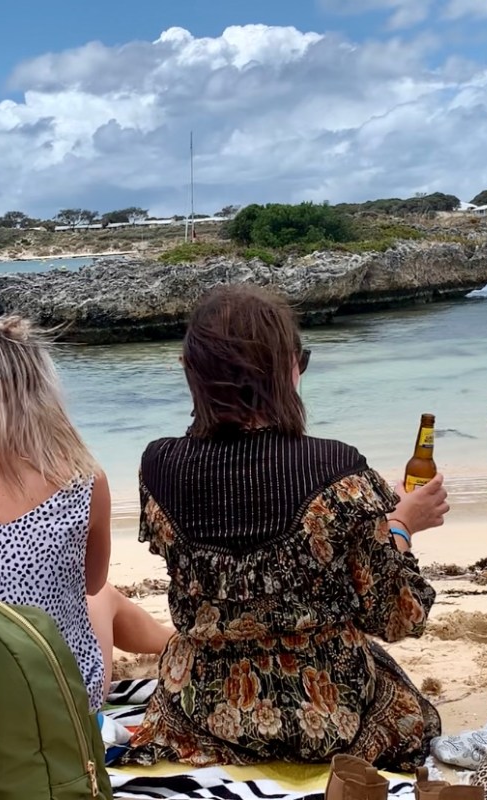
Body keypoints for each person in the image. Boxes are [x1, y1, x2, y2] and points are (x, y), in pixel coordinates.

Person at [126, 284, 450, 770]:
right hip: (328, 715)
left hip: (200, 710)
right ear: (287, 369)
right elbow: (399, 617)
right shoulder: (336, 469)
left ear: (190, 372)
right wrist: (401, 523)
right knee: (412, 722)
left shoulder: (159, 466)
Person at [0, 317, 171, 710]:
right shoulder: (85, 482)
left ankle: (173, 643)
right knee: (101, 597)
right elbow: (91, 582)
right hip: (50, 711)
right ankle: (176, 645)